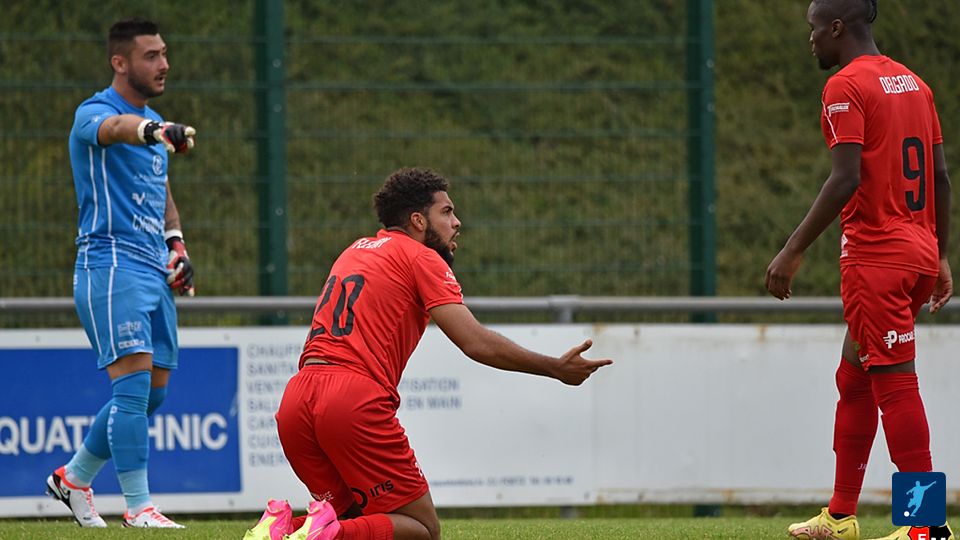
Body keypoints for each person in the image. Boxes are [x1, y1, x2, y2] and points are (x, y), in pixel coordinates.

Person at [245, 168, 612, 540]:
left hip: (297, 402)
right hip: (350, 401)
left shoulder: (354, 250)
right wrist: (554, 368)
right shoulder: (421, 257)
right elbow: (474, 341)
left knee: (359, 522)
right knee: (422, 529)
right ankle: (316, 532)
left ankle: (281, 526)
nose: (457, 222)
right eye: (446, 212)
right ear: (418, 221)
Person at [765, 1, 952, 539]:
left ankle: (927, 526)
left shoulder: (845, 86)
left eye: (814, 29)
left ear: (837, 27)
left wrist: (792, 249)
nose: (811, 39)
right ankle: (841, 516)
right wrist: (940, 254)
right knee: (854, 379)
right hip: (916, 251)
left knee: (895, 385)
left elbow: (845, 177)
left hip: (878, 259)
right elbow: (940, 177)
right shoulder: (914, 84)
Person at [45, 18, 197, 529]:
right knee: (131, 389)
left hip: (153, 268)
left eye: (164, 53)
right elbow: (114, 131)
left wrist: (176, 246)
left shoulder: (154, 124)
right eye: (151, 55)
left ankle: (74, 478)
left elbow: (161, 192)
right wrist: (153, 130)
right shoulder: (95, 112)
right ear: (120, 62)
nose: (164, 64)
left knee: (154, 391)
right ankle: (139, 507)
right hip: (110, 264)